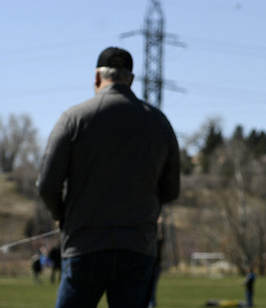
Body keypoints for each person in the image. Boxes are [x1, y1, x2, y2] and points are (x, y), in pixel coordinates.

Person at [36, 46, 181, 308]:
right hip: (137, 247)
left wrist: (62, 214)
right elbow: (171, 190)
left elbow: (47, 185)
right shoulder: (158, 122)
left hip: (84, 244)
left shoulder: (73, 119)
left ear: (96, 78)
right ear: (131, 80)